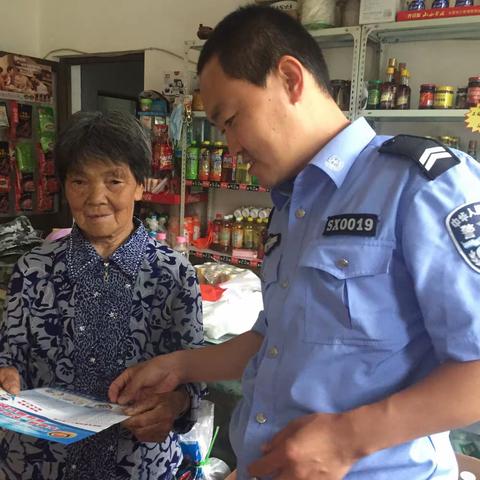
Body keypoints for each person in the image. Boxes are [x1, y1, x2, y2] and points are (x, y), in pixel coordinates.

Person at [109, 6, 480, 480]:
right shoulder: (290, 207)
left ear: (289, 78)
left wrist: (348, 438)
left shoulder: (422, 186)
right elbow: (274, 339)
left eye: (231, 119)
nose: (230, 146)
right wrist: (178, 366)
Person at [0, 111, 204, 479]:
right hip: (40, 464)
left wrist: (174, 404)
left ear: (141, 185)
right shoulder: (33, 269)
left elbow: (193, 375)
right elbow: (9, 353)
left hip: (137, 463)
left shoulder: (175, 275)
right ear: (64, 186)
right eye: (80, 181)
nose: (96, 198)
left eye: (114, 181)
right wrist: (6, 376)